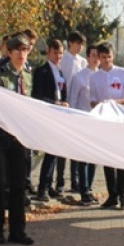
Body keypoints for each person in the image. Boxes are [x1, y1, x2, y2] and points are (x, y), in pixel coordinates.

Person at [0, 34, 35, 245]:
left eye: (25, 50)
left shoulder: (28, 76)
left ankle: (17, 230)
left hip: (19, 136)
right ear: (9, 52)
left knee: (18, 185)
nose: (21, 54)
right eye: (17, 50)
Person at [90, 41, 124, 210]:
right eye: (103, 57)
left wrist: (117, 102)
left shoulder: (123, 73)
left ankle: (123, 195)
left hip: (120, 121)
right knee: (107, 158)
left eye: (109, 57)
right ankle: (112, 195)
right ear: (99, 58)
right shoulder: (95, 77)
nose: (107, 60)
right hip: (104, 122)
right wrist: (101, 105)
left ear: (113, 56)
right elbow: (92, 100)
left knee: (121, 158)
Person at [31, 39, 68, 201]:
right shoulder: (42, 71)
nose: (58, 56)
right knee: (49, 153)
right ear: (48, 53)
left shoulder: (60, 72)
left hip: (59, 116)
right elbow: (37, 96)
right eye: (55, 53)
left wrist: (64, 103)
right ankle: (42, 188)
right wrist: (55, 103)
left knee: (55, 152)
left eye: (60, 53)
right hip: (47, 115)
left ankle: (48, 185)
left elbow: (62, 91)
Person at [67, 44, 101, 205]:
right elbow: (73, 100)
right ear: (87, 57)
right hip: (82, 121)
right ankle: (83, 191)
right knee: (83, 158)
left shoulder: (102, 77)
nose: (96, 59)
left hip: (97, 122)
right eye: (93, 55)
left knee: (94, 157)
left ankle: (89, 188)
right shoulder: (79, 77)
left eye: (98, 56)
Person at [60, 31, 87, 194]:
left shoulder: (83, 62)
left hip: (78, 108)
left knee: (77, 146)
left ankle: (75, 180)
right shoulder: (63, 60)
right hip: (64, 105)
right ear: (70, 43)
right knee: (62, 146)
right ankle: (60, 181)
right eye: (77, 43)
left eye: (82, 44)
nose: (80, 47)